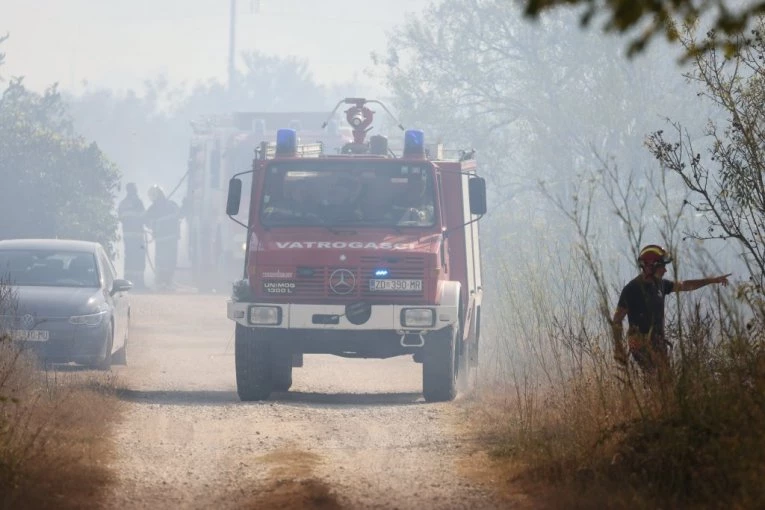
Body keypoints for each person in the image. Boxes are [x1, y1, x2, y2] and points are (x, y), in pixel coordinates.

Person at [611, 244, 731, 377]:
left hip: (658, 343)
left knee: (666, 383)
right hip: (641, 345)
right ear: (651, 266)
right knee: (656, 381)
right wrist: (618, 347)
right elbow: (617, 319)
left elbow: (684, 285)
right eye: (662, 266)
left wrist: (712, 280)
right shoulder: (631, 289)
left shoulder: (661, 284)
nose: (665, 270)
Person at [144, 184, 181, 290]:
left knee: (163, 260)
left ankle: (163, 281)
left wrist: (154, 224)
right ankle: (165, 281)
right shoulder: (171, 205)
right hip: (169, 239)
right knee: (168, 260)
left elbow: (147, 221)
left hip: (163, 239)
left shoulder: (154, 208)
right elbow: (179, 214)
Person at [117, 182, 146, 289]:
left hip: (127, 236)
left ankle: (127, 282)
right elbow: (144, 217)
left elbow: (120, 217)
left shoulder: (123, 203)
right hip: (137, 236)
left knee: (129, 257)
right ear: (134, 190)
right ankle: (139, 283)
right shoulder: (138, 202)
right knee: (139, 258)